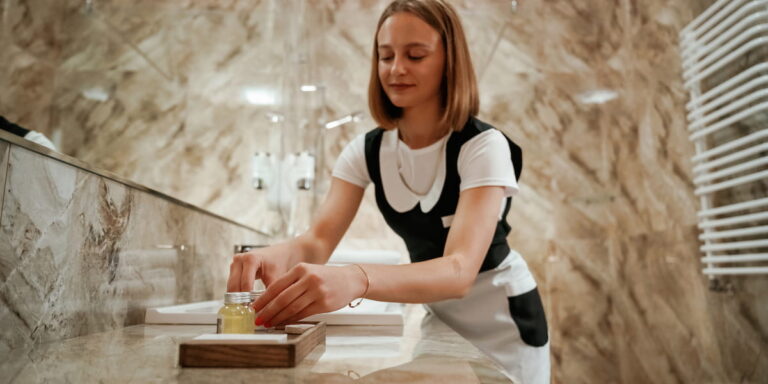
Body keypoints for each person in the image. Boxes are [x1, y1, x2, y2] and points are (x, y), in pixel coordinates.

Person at [227, 0, 550, 382]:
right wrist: (269, 255)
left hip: (504, 326)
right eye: (386, 56)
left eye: (415, 55)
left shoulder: (482, 146)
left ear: (449, 62)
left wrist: (357, 278)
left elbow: (460, 271)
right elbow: (316, 242)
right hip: (439, 320)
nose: (396, 69)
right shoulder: (367, 151)